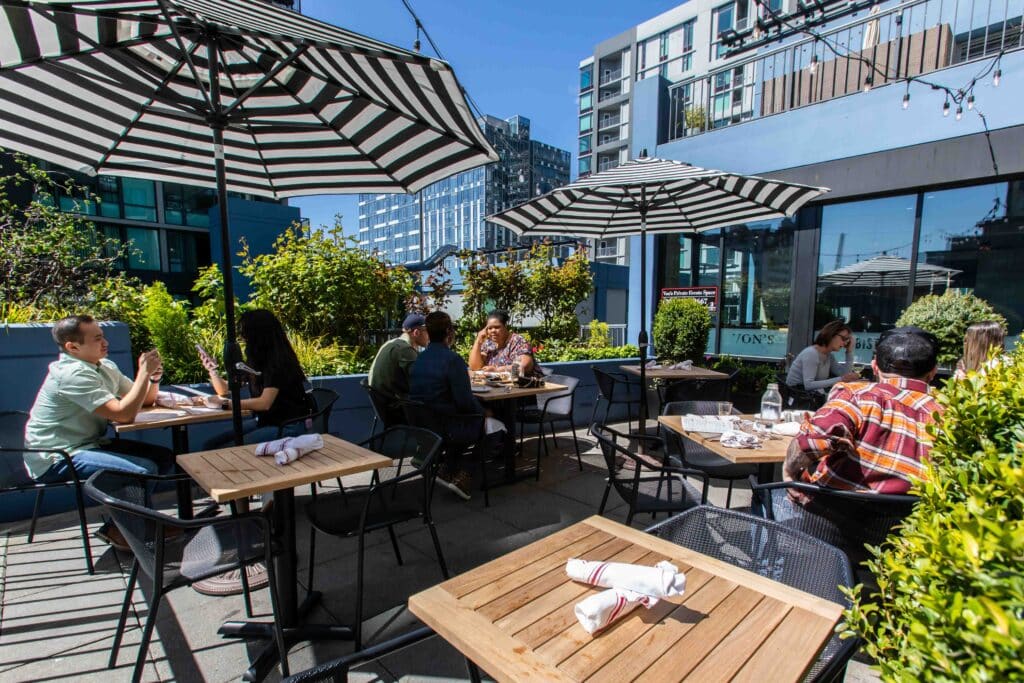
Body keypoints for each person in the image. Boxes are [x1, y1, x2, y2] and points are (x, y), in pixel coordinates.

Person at [783, 326, 942, 496]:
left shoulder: (858, 397)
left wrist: (788, 472)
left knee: (765, 498)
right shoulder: (948, 412)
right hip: (909, 519)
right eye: (843, 339)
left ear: (874, 367)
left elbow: (809, 442)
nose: (845, 343)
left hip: (831, 513)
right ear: (933, 372)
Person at [25, 315, 174, 482]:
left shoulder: (105, 366)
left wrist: (153, 378)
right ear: (73, 347)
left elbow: (144, 400)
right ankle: (129, 507)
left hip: (92, 444)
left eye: (102, 336)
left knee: (163, 457)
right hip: (59, 456)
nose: (105, 342)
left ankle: (130, 505)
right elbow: (124, 414)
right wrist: (143, 373)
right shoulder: (72, 374)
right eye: (97, 339)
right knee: (142, 471)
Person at [409, 311, 505, 500]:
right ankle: (465, 476)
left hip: (426, 425)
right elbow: (464, 402)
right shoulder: (452, 360)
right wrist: (484, 413)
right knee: (496, 428)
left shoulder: (419, 359)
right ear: (448, 332)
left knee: (469, 422)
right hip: (447, 426)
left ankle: (447, 469)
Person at [202, 309, 314, 450]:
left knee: (227, 451)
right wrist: (212, 371)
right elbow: (226, 389)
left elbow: (264, 403)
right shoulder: (258, 359)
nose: (242, 338)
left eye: (245, 333)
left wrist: (226, 404)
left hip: (287, 426)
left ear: (258, 335)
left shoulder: (279, 363)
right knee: (209, 446)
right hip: (265, 421)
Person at [368, 312, 428, 422]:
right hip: (397, 410)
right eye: (427, 332)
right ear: (416, 332)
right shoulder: (404, 350)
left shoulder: (391, 343)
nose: (429, 336)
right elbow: (422, 382)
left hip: (384, 406)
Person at [786, 319, 860, 395]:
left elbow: (844, 374)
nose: (845, 343)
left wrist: (849, 351)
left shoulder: (829, 355)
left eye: (847, 340)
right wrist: (841, 379)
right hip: (797, 399)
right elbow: (808, 385)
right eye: (844, 339)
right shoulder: (811, 353)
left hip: (812, 397)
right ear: (831, 334)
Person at [469, 309, 541, 378]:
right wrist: (478, 341)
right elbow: (475, 367)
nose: (493, 331)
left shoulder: (518, 341)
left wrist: (497, 370)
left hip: (530, 386)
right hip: (501, 385)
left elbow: (525, 366)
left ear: (505, 326)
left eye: (497, 327)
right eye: (490, 328)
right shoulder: (489, 344)